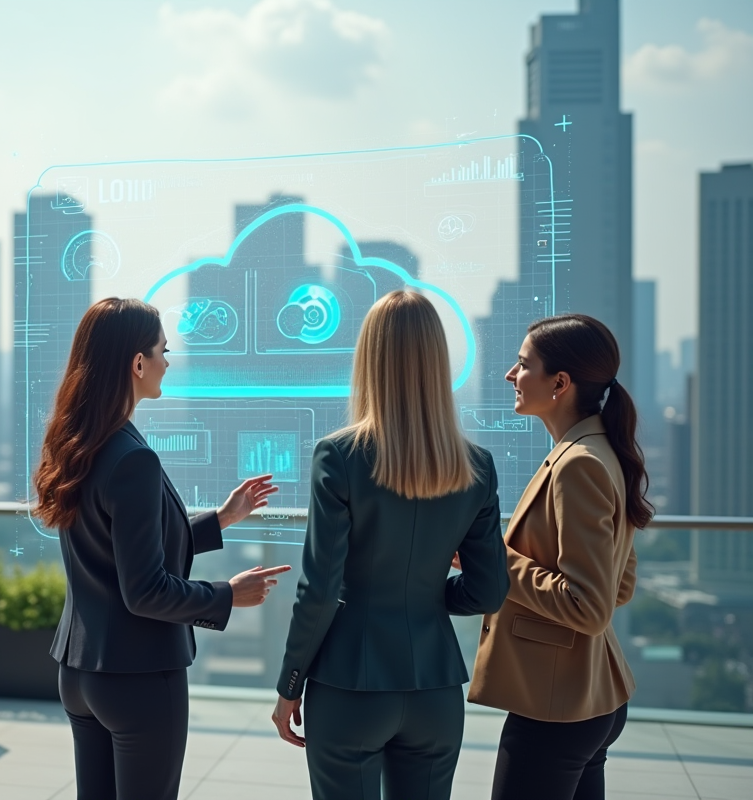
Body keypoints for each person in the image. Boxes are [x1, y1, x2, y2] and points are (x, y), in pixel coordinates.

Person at [36, 297, 291, 800]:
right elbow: (144, 590)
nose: (168, 362)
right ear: (137, 363)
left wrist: (221, 518)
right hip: (139, 677)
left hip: (81, 673)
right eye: (162, 351)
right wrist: (226, 595)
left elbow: (121, 548)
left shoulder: (78, 444)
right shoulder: (134, 459)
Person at [271, 290, 511, 800]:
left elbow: (319, 588)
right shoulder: (478, 466)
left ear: (370, 359)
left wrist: (290, 684)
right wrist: (426, 594)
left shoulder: (338, 455)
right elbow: (490, 591)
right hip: (435, 689)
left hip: (348, 685)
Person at [469, 313, 649, 800]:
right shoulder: (599, 451)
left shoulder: (579, 466)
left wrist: (490, 558)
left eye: (523, 364)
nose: (511, 374)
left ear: (561, 383)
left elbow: (588, 607)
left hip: (556, 711)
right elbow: (621, 585)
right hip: (586, 700)